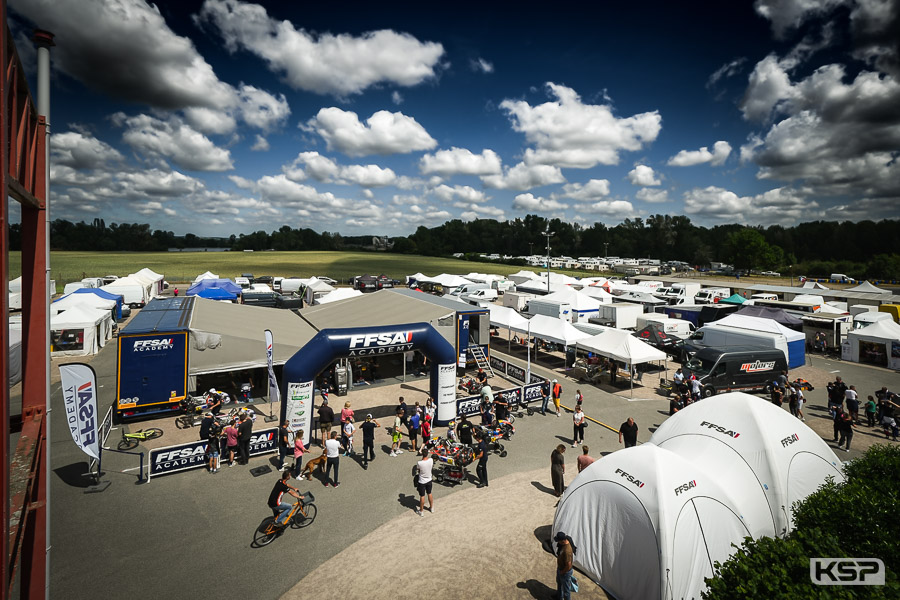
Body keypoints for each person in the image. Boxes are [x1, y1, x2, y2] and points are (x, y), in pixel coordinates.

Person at [555, 531, 575, 600]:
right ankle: (559, 597)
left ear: (563, 541)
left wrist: (562, 572)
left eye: (558, 541)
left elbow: (568, 565)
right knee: (559, 584)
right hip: (560, 569)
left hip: (565, 572)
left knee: (566, 590)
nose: (557, 543)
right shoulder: (565, 541)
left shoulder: (567, 551)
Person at [414, 449, 435, 516]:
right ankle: (431, 508)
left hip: (422, 481)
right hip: (429, 479)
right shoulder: (431, 460)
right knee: (429, 493)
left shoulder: (420, 463)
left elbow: (418, 470)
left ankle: (421, 511)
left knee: (422, 496)